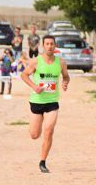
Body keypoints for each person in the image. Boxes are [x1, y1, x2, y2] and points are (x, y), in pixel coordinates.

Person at [21, 34, 69, 173]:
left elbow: (66, 76)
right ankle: (35, 127)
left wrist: (65, 82)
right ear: (43, 46)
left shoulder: (60, 62)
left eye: (52, 44)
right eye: (47, 44)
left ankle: (43, 162)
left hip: (52, 102)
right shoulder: (36, 61)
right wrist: (34, 86)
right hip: (37, 101)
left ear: (55, 46)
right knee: (34, 135)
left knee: (48, 131)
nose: (50, 46)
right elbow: (24, 75)